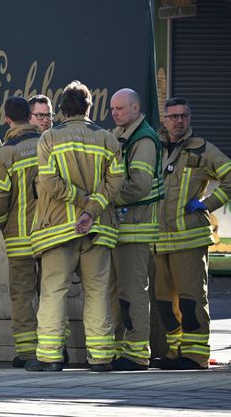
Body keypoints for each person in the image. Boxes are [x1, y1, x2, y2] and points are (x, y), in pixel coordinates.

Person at [27, 80, 124, 372]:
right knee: (97, 292)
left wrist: (80, 204)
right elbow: (116, 181)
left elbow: (49, 182)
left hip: (57, 230)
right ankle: (101, 357)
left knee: (54, 290)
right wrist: (91, 210)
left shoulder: (49, 139)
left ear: (62, 110)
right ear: (88, 108)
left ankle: (50, 357)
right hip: (98, 228)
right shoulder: (108, 138)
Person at [153, 97, 231, 370]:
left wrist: (207, 203)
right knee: (165, 302)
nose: (178, 121)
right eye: (173, 116)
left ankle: (195, 356)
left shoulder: (203, 149)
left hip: (190, 238)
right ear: (164, 119)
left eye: (183, 116)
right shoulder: (153, 148)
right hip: (158, 240)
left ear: (189, 118)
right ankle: (175, 353)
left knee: (191, 300)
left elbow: (230, 176)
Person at [107, 88, 162, 371]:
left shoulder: (144, 140)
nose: (114, 113)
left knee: (132, 293)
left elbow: (139, 185)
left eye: (120, 109)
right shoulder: (122, 135)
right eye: (112, 108)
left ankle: (137, 353)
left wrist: (106, 196)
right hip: (122, 229)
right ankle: (122, 350)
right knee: (119, 293)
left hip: (136, 230)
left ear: (136, 108)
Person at [0, 96, 42, 367]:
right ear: (31, 115)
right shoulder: (48, 144)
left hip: (19, 237)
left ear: (7, 119)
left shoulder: (5, 153)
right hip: (52, 234)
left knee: (22, 293)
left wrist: (2, 221)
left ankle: (28, 351)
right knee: (53, 291)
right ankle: (56, 345)